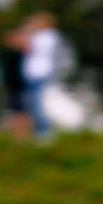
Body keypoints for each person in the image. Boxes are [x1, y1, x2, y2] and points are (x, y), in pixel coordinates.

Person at [20, 12, 63, 141]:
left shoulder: (48, 36)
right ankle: (40, 132)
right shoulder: (39, 36)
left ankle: (44, 132)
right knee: (33, 104)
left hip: (40, 73)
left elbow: (25, 46)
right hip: (33, 74)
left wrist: (27, 30)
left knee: (37, 104)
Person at [0, 21, 31, 142]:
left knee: (21, 113)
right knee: (17, 113)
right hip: (14, 88)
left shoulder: (19, 54)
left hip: (19, 87)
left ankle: (22, 137)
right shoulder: (11, 53)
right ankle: (18, 137)